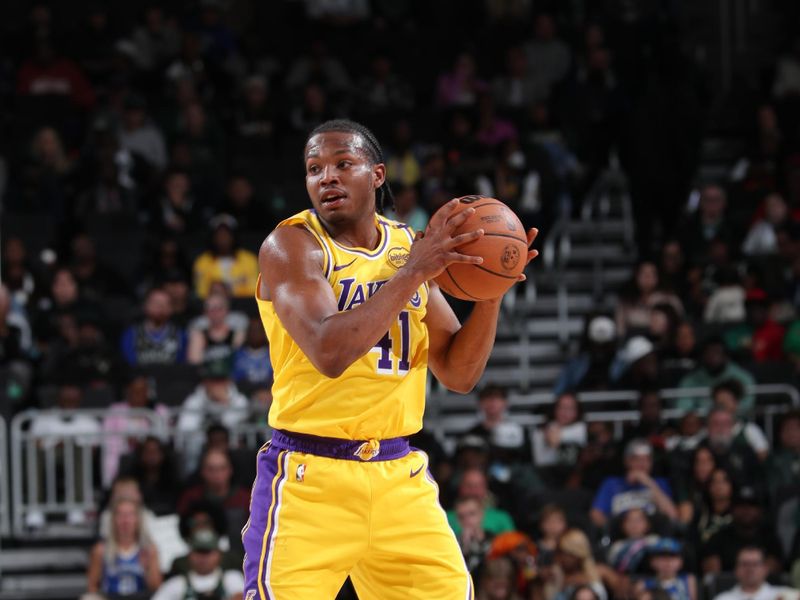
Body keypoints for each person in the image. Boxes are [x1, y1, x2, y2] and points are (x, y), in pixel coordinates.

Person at [242, 119, 538, 599]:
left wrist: (491, 290)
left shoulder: (406, 246)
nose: (327, 177)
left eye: (343, 164)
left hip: (399, 474)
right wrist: (417, 271)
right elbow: (330, 350)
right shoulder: (292, 246)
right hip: (310, 479)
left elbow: (458, 373)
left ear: (377, 175)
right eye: (315, 169)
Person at [590, 439, 677, 528]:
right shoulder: (611, 484)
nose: (642, 464)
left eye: (646, 460)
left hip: (652, 537)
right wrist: (615, 529)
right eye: (637, 459)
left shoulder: (660, 484)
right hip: (620, 536)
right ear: (627, 461)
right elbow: (596, 515)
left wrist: (649, 483)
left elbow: (672, 516)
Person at [85, 498, 162, 597]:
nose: (125, 520)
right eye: (120, 515)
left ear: (138, 519)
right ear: (113, 519)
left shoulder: (149, 549)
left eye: (130, 515)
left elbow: (157, 588)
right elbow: (92, 586)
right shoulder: (100, 549)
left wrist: (147, 569)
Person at [151, 529, 245, 600]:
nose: (203, 558)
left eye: (207, 552)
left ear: (218, 554)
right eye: (199, 552)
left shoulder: (232, 578)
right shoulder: (176, 584)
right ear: (190, 554)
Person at [712, 546, 799, 600]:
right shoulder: (723, 598)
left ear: (765, 569)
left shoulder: (784, 595)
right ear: (736, 569)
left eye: (755, 564)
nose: (750, 569)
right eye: (745, 564)